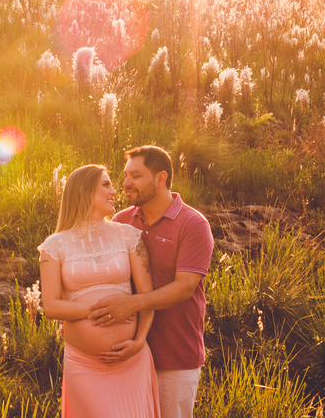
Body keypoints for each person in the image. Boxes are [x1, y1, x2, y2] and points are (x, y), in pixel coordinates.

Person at [89, 146, 215, 418]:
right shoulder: (121, 221)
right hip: (125, 352)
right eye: (125, 176)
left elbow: (184, 287)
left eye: (135, 175)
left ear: (161, 178)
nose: (125, 184)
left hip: (174, 357)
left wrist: (131, 304)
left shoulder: (193, 224)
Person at [38, 164, 162, 418]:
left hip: (132, 360)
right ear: (84, 191)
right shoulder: (54, 246)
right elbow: (51, 306)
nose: (114, 191)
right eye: (106, 185)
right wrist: (103, 310)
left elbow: (146, 298)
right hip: (84, 366)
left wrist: (138, 343)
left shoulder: (129, 236)